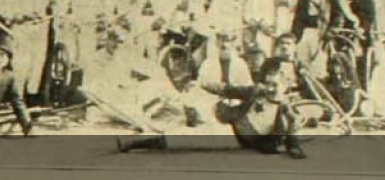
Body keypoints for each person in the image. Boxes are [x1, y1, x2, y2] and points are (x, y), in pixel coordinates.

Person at [116, 66, 307, 159]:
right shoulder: (256, 91)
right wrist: (203, 84)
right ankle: (133, 143)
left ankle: (134, 143)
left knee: (186, 138)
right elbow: (229, 89)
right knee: (183, 135)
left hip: (246, 141)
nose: (271, 88)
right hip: (230, 127)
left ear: (286, 86)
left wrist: (294, 148)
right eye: (268, 83)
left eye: (276, 85)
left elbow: (291, 134)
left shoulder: (285, 109)